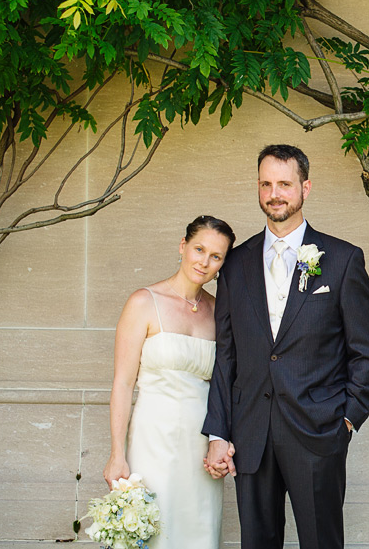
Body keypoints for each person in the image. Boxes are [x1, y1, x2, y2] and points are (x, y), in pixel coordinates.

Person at [202, 144, 369, 549]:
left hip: (318, 432)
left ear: (306, 187)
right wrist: (218, 430)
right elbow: (226, 355)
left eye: (284, 183)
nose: (274, 193)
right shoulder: (234, 264)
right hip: (252, 435)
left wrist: (347, 420)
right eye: (266, 184)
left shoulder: (342, 259)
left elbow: (365, 352)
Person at [103, 215, 236, 549]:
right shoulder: (143, 302)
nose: (204, 262)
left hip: (200, 444)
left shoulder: (220, 313)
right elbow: (122, 383)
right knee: (155, 531)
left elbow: (229, 385)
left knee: (198, 532)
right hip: (153, 439)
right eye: (199, 249)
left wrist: (222, 440)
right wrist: (116, 453)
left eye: (216, 256)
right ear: (182, 246)